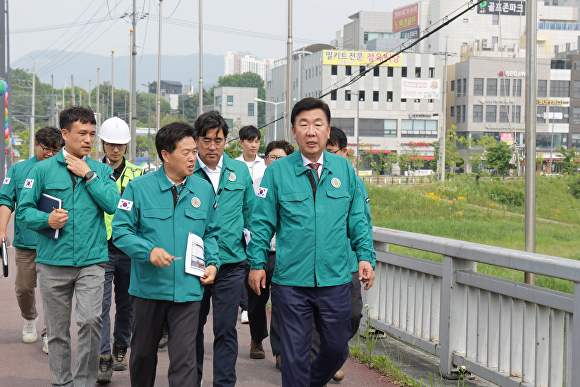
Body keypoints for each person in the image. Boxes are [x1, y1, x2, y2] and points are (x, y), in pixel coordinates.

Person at [247, 97, 376, 387]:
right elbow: (262, 222)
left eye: (318, 124)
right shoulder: (277, 172)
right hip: (292, 281)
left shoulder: (344, 171)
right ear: (294, 131)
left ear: (328, 130)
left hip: (335, 278)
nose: (311, 131)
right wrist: (257, 263)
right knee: (293, 356)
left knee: (336, 348)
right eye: (303, 125)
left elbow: (358, 219)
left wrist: (365, 256)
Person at [16, 106, 120, 387]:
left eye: (92, 134)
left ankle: (85, 382)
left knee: (89, 321)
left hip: (92, 262)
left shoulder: (100, 170)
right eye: (81, 133)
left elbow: (113, 205)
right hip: (52, 263)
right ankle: (62, 382)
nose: (88, 139)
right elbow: (23, 211)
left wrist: (88, 175)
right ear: (65, 134)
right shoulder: (42, 170)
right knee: (58, 332)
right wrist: (46, 219)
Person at [112, 121, 220, 387]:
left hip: (188, 289)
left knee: (184, 361)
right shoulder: (139, 188)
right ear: (165, 155)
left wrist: (213, 263)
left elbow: (211, 233)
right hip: (149, 290)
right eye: (186, 152)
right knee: (143, 357)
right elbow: (121, 232)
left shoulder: (204, 190)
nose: (193, 157)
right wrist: (148, 251)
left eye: (194, 151)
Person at [193, 110, 255, 387]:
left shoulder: (239, 171)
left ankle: (224, 383)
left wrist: (255, 261)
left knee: (225, 329)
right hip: (193, 265)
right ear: (196, 141)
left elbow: (252, 216)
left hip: (231, 264)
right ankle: (189, 380)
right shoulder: (187, 170)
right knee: (191, 329)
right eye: (206, 140)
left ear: (226, 140)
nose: (212, 146)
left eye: (218, 140)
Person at [309, 126, 374, 382]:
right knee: (314, 321)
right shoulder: (306, 177)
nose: (326, 157)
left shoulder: (355, 182)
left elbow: (363, 223)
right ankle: (321, 366)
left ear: (344, 152)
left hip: (346, 265)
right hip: (315, 267)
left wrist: (366, 258)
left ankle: (332, 353)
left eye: (332, 151)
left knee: (353, 314)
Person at [0, 126, 63, 354]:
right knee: (23, 288)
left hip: (56, 242)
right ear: (36, 145)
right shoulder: (18, 170)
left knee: (53, 290)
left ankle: (49, 333)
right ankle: (30, 317)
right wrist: (1, 230)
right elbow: (6, 200)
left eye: (55, 150)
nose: (50, 154)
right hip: (27, 242)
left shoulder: (64, 169)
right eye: (46, 149)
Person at [96, 117, 145, 384]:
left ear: (126, 146)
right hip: (100, 247)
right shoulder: (91, 171)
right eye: (111, 144)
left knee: (126, 304)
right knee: (100, 306)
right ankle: (103, 357)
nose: (116, 150)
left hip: (129, 248)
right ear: (102, 143)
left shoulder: (138, 175)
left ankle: (119, 348)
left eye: (121, 145)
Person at [245, 140, 294, 365]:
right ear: (265, 160)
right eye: (273, 157)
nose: (276, 162)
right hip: (259, 253)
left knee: (282, 304)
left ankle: (280, 351)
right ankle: (256, 338)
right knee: (256, 301)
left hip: (285, 255)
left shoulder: (295, 185)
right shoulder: (253, 184)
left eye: (282, 158)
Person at [235, 125, 266, 325]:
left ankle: (249, 306)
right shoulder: (233, 166)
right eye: (249, 141)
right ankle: (244, 306)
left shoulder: (265, 165)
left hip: (258, 221)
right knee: (241, 265)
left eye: (256, 141)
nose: (253, 145)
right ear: (241, 143)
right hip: (238, 221)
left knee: (253, 262)